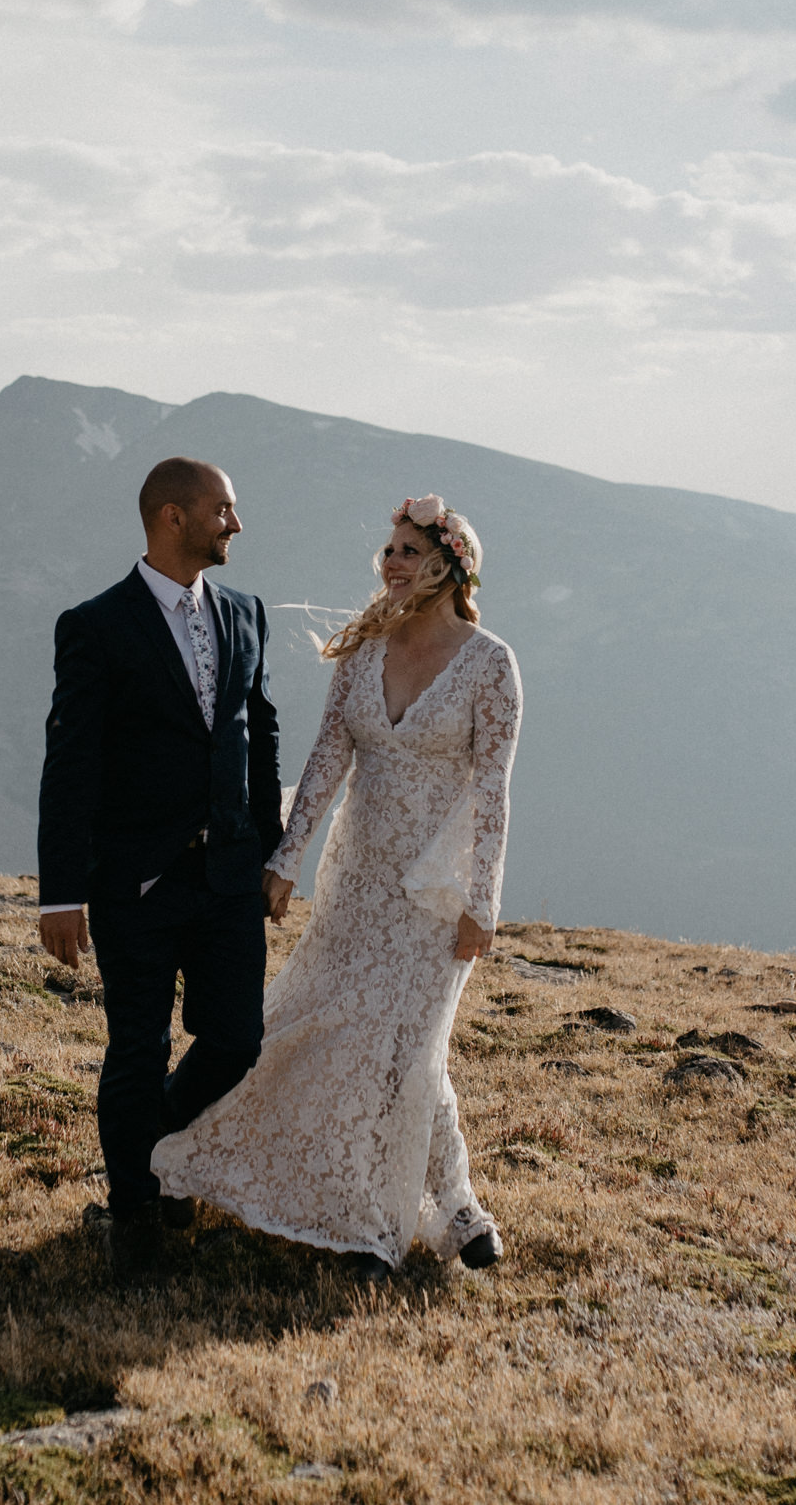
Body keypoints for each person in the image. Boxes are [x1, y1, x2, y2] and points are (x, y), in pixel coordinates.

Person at [152, 494, 521, 1283]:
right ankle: (458, 1210)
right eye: (387, 548)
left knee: (407, 1050)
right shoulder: (364, 651)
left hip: (432, 899)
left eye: (408, 549)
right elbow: (326, 760)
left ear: (448, 567)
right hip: (355, 883)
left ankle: (377, 1225)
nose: (389, 561)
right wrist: (286, 859)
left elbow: (492, 790)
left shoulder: (491, 664)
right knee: (324, 1025)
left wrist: (480, 904)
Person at [36, 456, 284, 1283]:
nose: (235, 525)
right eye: (224, 509)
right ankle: (135, 1214)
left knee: (237, 1040)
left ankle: (153, 1151)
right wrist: (62, 891)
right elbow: (70, 763)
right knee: (136, 1049)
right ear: (172, 517)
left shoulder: (247, 613)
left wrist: (272, 851)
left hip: (227, 882)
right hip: (135, 884)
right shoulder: (96, 625)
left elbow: (260, 734)